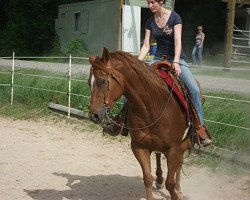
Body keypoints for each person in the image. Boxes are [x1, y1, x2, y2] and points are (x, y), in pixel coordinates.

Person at [105, 0, 212, 146]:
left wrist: (175, 61)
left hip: (177, 58)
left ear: (161, 1)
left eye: (153, 2)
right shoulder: (150, 22)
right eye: (148, 3)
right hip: (157, 58)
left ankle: (199, 129)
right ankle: (121, 121)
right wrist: (136, 63)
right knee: (131, 84)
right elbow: (146, 45)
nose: (150, 6)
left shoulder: (175, 18)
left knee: (193, 89)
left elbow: (178, 42)